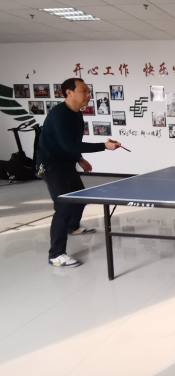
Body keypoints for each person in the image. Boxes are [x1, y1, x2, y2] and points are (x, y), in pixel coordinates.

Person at [36, 78, 121, 268]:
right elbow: (69, 145)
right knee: (63, 207)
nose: (88, 95)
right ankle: (56, 254)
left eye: (89, 91)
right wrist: (104, 146)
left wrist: (79, 159)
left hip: (66, 163)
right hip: (50, 165)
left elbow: (72, 143)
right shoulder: (59, 115)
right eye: (84, 91)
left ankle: (72, 227)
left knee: (80, 198)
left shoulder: (77, 113)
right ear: (69, 92)